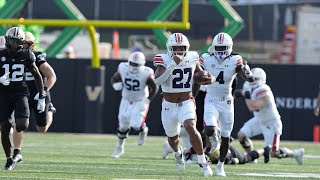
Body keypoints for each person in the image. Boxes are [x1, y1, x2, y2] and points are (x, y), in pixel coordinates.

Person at [153, 32, 215, 177]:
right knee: (173, 139)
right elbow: (157, 81)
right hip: (169, 104)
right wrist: (172, 65)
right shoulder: (163, 58)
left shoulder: (193, 57)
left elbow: (201, 73)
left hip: (186, 101)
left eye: (182, 47)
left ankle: (203, 162)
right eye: (175, 47)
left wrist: (209, 78)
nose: (179, 50)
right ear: (169, 48)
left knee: (190, 126)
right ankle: (177, 152)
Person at [200, 32, 254, 177]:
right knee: (210, 128)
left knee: (226, 136)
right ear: (213, 47)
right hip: (211, 98)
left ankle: (220, 166)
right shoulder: (206, 58)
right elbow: (196, 73)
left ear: (229, 47)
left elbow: (248, 78)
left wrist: (248, 74)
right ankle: (213, 143)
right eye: (218, 47)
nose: (221, 50)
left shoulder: (235, 59)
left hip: (227, 101)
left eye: (223, 47)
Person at [236, 67, 304, 165]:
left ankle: (296, 153)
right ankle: (251, 157)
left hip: (271, 123)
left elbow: (254, 107)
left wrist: (246, 95)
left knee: (273, 153)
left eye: (254, 78)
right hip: (259, 119)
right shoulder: (248, 86)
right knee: (241, 136)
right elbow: (238, 93)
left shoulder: (264, 90)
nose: (252, 80)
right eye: (251, 77)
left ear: (261, 79)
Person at [0, 27, 46, 170]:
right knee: (5, 127)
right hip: (3, 94)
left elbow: (38, 75)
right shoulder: (0, 54)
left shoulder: (27, 55)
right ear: (7, 40)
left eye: (16, 41)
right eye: (11, 41)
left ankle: (16, 151)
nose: (14, 44)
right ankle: (8, 158)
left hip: (20, 92)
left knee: (22, 125)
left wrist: (42, 96)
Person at [11, 32, 57, 164]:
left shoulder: (36, 57)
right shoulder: (11, 55)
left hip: (38, 95)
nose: (20, 45)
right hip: (21, 95)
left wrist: (43, 92)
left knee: (41, 129)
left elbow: (51, 76)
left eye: (23, 43)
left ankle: (50, 110)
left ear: (30, 45)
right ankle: (17, 151)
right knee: (17, 123)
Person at [111, 51, 158, 158]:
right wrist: (115, 84)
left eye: (136, 64)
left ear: (142, 64)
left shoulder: (146, 72)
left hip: (140, 100)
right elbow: (114, 78)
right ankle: (119, 147)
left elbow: (154, 87)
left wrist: (147, 100)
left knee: (136, 125)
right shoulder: (123, 67)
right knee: (123, 126)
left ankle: (143, 129)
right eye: (132, 63)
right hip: (126, 99)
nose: (133, 66)